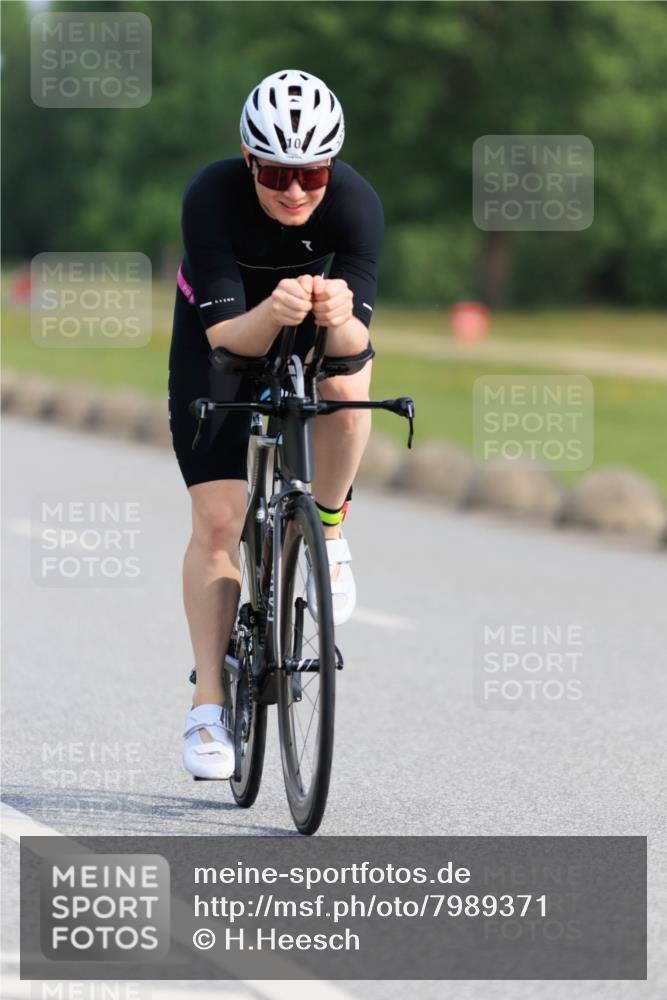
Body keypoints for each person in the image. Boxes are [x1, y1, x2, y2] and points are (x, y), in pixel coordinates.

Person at [168, 69, 384, 780]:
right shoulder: (211, 194)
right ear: (247, 157)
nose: (295, 191)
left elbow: (356, 347)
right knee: (221, 521)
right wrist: (275, 310)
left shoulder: (355, 204)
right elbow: (228, 342)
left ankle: (326, 524)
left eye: (312, 172)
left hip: (305, 325)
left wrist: (340, 317)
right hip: (222, 337)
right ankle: (207, 699)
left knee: (351, 377)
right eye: (277, 172)